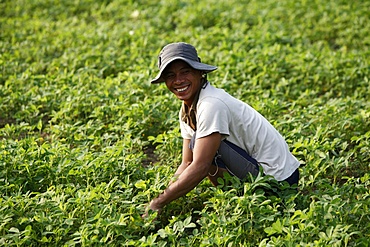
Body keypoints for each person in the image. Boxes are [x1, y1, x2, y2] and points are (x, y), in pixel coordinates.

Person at [145, 42, 300, 215]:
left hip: (281, 182)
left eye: (185, 71)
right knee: (200, 144)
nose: (178, 80)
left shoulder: (212, 104)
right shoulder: (187, 109)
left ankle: (241, 208)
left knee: (203, 147)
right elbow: (186, 163)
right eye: (170, 75)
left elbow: (200, 166)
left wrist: (158, 203)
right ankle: (237, 202)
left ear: (199, 72)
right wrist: (160, 194)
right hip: (262, 171)